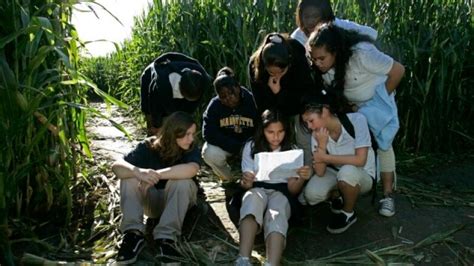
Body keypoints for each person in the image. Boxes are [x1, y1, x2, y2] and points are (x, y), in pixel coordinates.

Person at [307, 23, 405, 217]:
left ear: (335, 52)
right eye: (313, 58)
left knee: (384, 144)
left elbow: (398, 71)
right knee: (359, 144)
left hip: (378, 101)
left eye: (321, 58)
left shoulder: (362, 54)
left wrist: (377, 103)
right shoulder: (324, 67)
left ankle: (387, 195)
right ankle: (349, 186)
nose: (317, 63)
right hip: (353, 108)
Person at [112, 111, 201, 264]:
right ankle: (133, 234)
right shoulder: (147, 146)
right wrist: (138, 172)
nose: (191, 139)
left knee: (182, 181)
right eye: (186, 134)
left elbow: (192, 169)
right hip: (152, 202)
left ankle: (166, 239)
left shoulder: (191, 148)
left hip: (179, 201)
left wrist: (155, 175)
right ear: (173, 133)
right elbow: (116, 167)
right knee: (129, 178)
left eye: (192, 134)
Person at [235, 109, 311, 266]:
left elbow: (292, 190)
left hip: (282, 191)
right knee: (251, 200)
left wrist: (302, 178)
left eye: (280, 132)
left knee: (276, 212)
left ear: (286, 131)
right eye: (270, 132)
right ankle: (243, 258)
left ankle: (272, 263)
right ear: (262, 130)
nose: (276, 137)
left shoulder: (292, 149)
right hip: (257, 187)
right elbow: (246, 183)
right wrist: (246, 182)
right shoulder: (252, 146)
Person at [300, 90, 376, 234]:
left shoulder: (356, 120)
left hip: (362, 173)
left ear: (325, 111)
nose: (310, 127)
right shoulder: (316, 134)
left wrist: (325, 157)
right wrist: (322, 144)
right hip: (335, 171)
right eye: (307, 123)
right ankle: (339, 196)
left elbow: (360, 160)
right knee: (311, 195)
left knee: (347, 172)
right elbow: (320, 172)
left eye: (311, 121)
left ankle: (348, 213)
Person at [248, 32, 319, 170]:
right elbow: (262, 105)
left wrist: (280, 93)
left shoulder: (298, 58)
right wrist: (274, 95)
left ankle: (307, 173)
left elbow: (304, 96)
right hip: (270, 104)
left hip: (298, 101)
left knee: (303, 136)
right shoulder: (255, 66)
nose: (276, 76)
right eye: (271, 73)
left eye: (281, 72)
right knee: (271, 133)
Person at [202, 67, 258, 182]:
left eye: (231, 93)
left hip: (249, 145)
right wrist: (235, 146)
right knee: (208, 153)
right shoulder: (214, 105)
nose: (229, 98)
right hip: (226, 145)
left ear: (238, 87)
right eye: (223, 97)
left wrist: (247, 147)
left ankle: (254, 180)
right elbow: (208, 133)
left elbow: (262, 127)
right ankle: (229, 179)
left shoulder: (252, 100)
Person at [140, 52, 212, 135]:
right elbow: (154, 105)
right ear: (180, 88)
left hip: (177, 83)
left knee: (179, 123)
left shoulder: (204, 80)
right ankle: (151, 140)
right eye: (189, 97)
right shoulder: (162, 84)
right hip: (149, 78)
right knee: (153, 121)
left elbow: (187, 112)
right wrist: (156, 126)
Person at [291, 0, 378, 46]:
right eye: (306, 17)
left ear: (325, 16)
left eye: (315, 16)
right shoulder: (297, 39)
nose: (310, 21)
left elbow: (372, 34)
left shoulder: (339, 26)